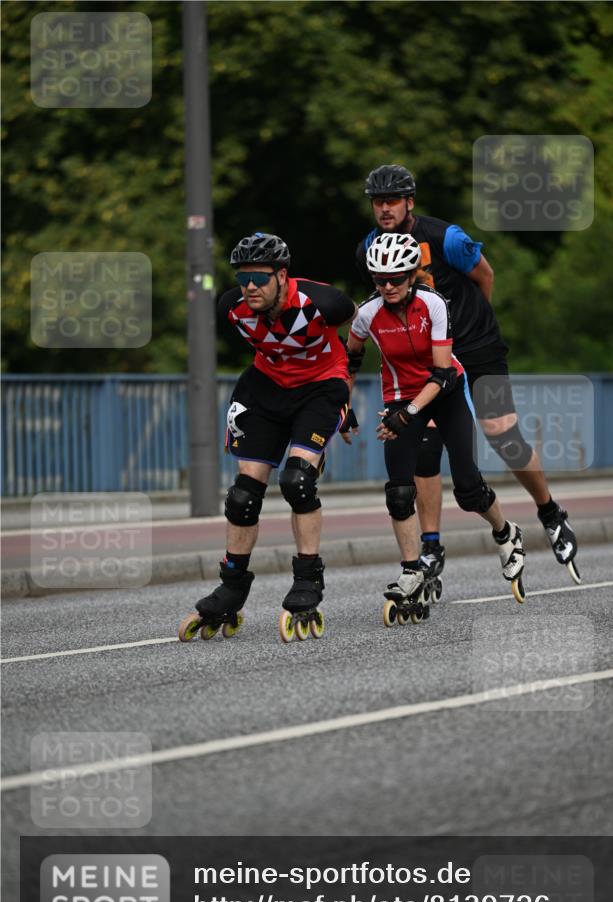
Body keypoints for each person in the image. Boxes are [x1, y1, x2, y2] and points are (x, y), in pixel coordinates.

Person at [355, 164, 580, 584]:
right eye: (377, 202)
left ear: (410, 202)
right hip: (431, 359)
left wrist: (471, 327)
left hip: (478, 348)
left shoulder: (446, 238)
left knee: (503, 435)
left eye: (392, 201)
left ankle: (550, 512)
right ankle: (431, 545)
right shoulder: (370, 246)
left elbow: (485, 276)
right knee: (425, 445)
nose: (384, 209)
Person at [179, 232, 357, 644]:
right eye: (243, 279)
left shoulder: (324, 303)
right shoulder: (232, 307)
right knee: (243, 496)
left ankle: (308, 581)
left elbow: (359, 333)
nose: (250, 287)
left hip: (319, 387)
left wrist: (345, 400)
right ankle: (232, 585)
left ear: (281, 274)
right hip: (265, 387)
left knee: (296, 482)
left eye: (259, 278)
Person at [347, 232, 526, 615]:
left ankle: (506, 531)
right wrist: (342, 407)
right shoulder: (367, 314)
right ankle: (412, 570)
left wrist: (407, 415)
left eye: (396, 277)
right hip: (400, 397)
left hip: (444, 393)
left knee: (468, 489)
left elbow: (442, 374)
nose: (389, 286)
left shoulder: (434, 304)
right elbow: (349, 360)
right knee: (398, 492)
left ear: (413, 275)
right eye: (380, 279)